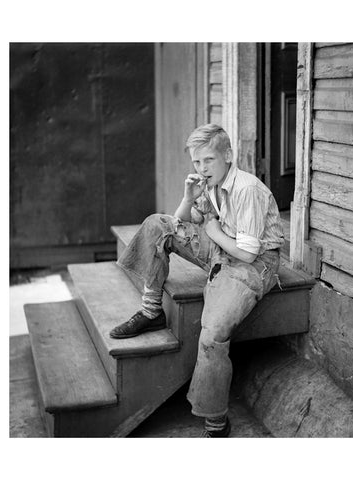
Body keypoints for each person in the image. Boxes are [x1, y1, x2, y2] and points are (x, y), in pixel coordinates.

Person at [110, 124, 284, 437]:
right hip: (222, 246)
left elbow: (247, 254)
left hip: (254, 264)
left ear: (228, 155)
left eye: (208, 160)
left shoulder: (247, 189)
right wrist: (189, 198)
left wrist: (214, 231)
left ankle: (216, 421)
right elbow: (178, 223)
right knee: (157, 225)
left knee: (212, 336)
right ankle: (152, 311)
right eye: (197, 163)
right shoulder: (210, 184)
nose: (202, 168)